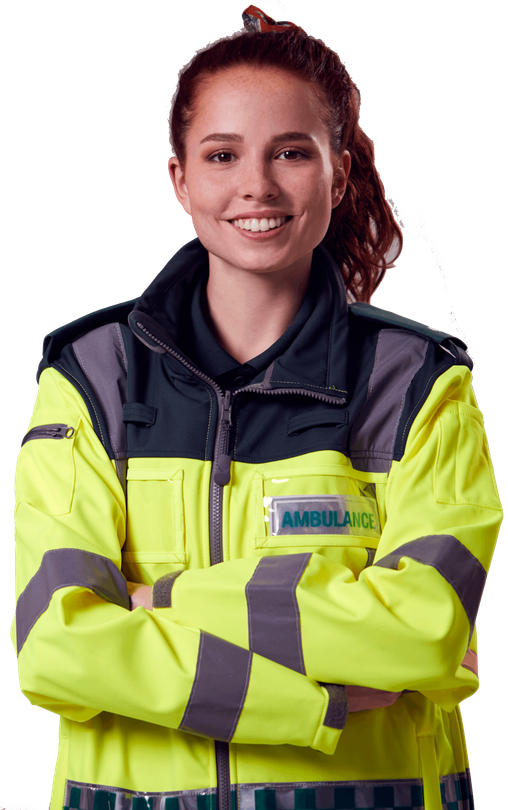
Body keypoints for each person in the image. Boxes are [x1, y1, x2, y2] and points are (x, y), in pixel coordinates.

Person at [11, 4, 503, 809]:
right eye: (221, 154)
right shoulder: (91, 377)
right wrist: (320, 704)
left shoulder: (417, 383)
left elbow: (424, 631)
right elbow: (56, 650)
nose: (257, 186)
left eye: (290, 153)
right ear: (179, 178)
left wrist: (163, 603)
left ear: (338, 173)